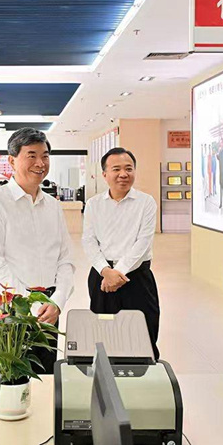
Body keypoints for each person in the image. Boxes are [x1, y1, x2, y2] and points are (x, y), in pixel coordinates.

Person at [0, 128, 75, 374]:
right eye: (32, 155)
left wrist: (57, 301)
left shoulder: (52, 206)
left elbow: (66, 259)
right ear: (12, 161)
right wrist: (31, 305)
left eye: (45, 156)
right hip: (9, 306)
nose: (40, 163)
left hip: (48, 309)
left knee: (45, 375)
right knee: (8, 378)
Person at [82, 147, 160, 359]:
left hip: (137, 277)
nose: (123, 174)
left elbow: (143, 242)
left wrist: (118, 273)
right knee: (103, 335)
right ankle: (105, 374)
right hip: (102, 277)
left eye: (129, 168)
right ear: (104, 174)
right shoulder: (94, 204)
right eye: (116, 169)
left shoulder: (146, 202)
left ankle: (144, 374)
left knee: (144, 334)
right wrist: (106, 271)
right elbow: (89, 241)